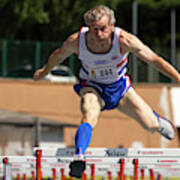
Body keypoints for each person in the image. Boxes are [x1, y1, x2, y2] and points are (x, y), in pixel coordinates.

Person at [33, 5, 180, 178]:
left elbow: (155, 60)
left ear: (112, 26)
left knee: (149, 124)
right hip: (92, 86)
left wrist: (178, 78)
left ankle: (158, 122)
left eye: (103, 29)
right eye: (94, 30)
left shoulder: (125, 40)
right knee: (89, 112)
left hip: (120, 88)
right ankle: (79, 156)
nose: (99, 35)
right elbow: (57, 55)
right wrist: (44, 72)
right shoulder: (77, 41)